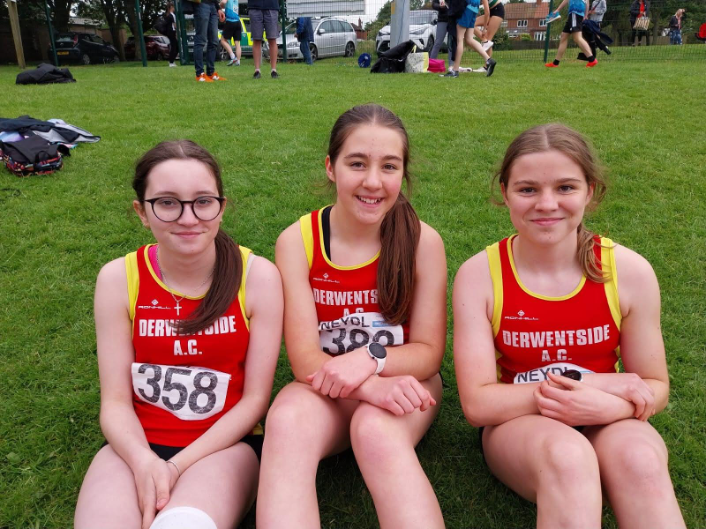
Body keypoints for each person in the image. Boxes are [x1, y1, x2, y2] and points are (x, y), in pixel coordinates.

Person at [453, 124, 686, 529]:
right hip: (518, 425)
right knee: (568, 458)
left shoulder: (628, 272)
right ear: (504, 192)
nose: (547, 204)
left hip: (607, 415)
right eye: (527, 189)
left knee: (642, 461)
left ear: (590, 192)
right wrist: (596, 384)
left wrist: (609, 403)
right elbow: (478, 405)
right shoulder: (479, 276)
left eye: (565, 188)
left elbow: (655, 385)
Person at [74, 140, 283, 529]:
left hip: (225, 446)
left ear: (221, 206)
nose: (188, 218)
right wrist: (143, 461)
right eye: (167, 203)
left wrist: (175, 466)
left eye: (203, 201)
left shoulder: (257, 277)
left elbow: (255, 401)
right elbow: (116, 402)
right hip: (134, 445)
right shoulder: (118, 279)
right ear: (141, 212)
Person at [257, 104, 447, 529]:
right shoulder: (297, 241)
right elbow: (305, 359)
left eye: (389, 166)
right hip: (325, 385)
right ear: (331, 167)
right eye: (357, 164)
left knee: (375, 429)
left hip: (406, 384)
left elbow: (429, 355)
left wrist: (371, 363)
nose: (373, 182)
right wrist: (368, 388)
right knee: (285, 419)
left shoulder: (422, 242)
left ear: (403, 172)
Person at [444, 0, 496, 78]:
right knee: (469, 39)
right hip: (475, 8)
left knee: (460, 39)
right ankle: (488, 60)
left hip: (466, 7)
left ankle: (455, 70)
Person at [545, 0, 597, 68]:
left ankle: (592, 59)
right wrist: (585, 14)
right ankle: (555, 63)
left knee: (577, 38)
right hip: (577, 12)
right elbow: (587, 1)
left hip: (575, 11)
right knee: (564, 36)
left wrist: (558, 9)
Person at [193, 0, 226, 82]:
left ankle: (210, 73)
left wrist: (218, 8)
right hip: (201, 4)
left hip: (213, 6)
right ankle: (200, 74)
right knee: (200, 40)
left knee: (214, 41)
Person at [471, 0, 505, 73]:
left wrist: (484, 28)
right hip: (491, 10)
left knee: (488, 39)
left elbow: (487, 12)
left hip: (497, 11)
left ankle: (486, 67)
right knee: (471, 23)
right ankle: (484, 41)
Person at [249, 0, 279, 79]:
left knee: (272, 39)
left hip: (271, 6)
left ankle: (273, 70)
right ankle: (257, 70)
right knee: (256, 39)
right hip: (255, 6)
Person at [220, 0, 242, 66]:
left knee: (223, 40)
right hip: (238, 21)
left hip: (230, 21)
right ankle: (238, 61)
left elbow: (223, 2)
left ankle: (232, 56)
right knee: (237, 43)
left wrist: (219, 5)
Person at [165, 3, 179, 67]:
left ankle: (171, 61)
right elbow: (174, 24)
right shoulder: (172, 15)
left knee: (175, 46)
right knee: (174, 47)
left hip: (170, 32)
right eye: (173, 7)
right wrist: (177, 32)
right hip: (172, 32)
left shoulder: (168, 15)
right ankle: (171, 62)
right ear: (171, 8)